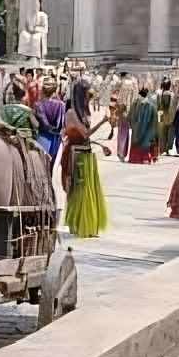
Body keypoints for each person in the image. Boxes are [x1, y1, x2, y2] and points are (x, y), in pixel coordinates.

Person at [61, 80, 108, 238]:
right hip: (75, 154)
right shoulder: (71, 113)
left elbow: (86, 136)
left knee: (89, 189)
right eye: (87, 94)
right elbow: (84, 134)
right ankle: (77, 223)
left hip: (86, 152)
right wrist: (102, 123)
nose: (89, 97)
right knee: (77, 188)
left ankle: (87, 224)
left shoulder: (83, 113)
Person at [126, 87, 159, 164]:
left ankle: (137, 159)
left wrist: (132, 124)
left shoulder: (136, 103)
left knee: (138, 143)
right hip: (148, 129)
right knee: (146, 143)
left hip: (138, 129)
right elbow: (155, 119)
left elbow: (130, 116)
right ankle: (146, 158)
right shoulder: (152, 104)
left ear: (139, 95)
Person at [155, 79, 176, 157]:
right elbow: (173, 106)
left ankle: (162, 149)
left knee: (161, 133)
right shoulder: (172, 94)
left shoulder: (159, 94)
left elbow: (157, 105)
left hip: (160, 114)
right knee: (169, 132)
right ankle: (167, 149)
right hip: (169, 115)